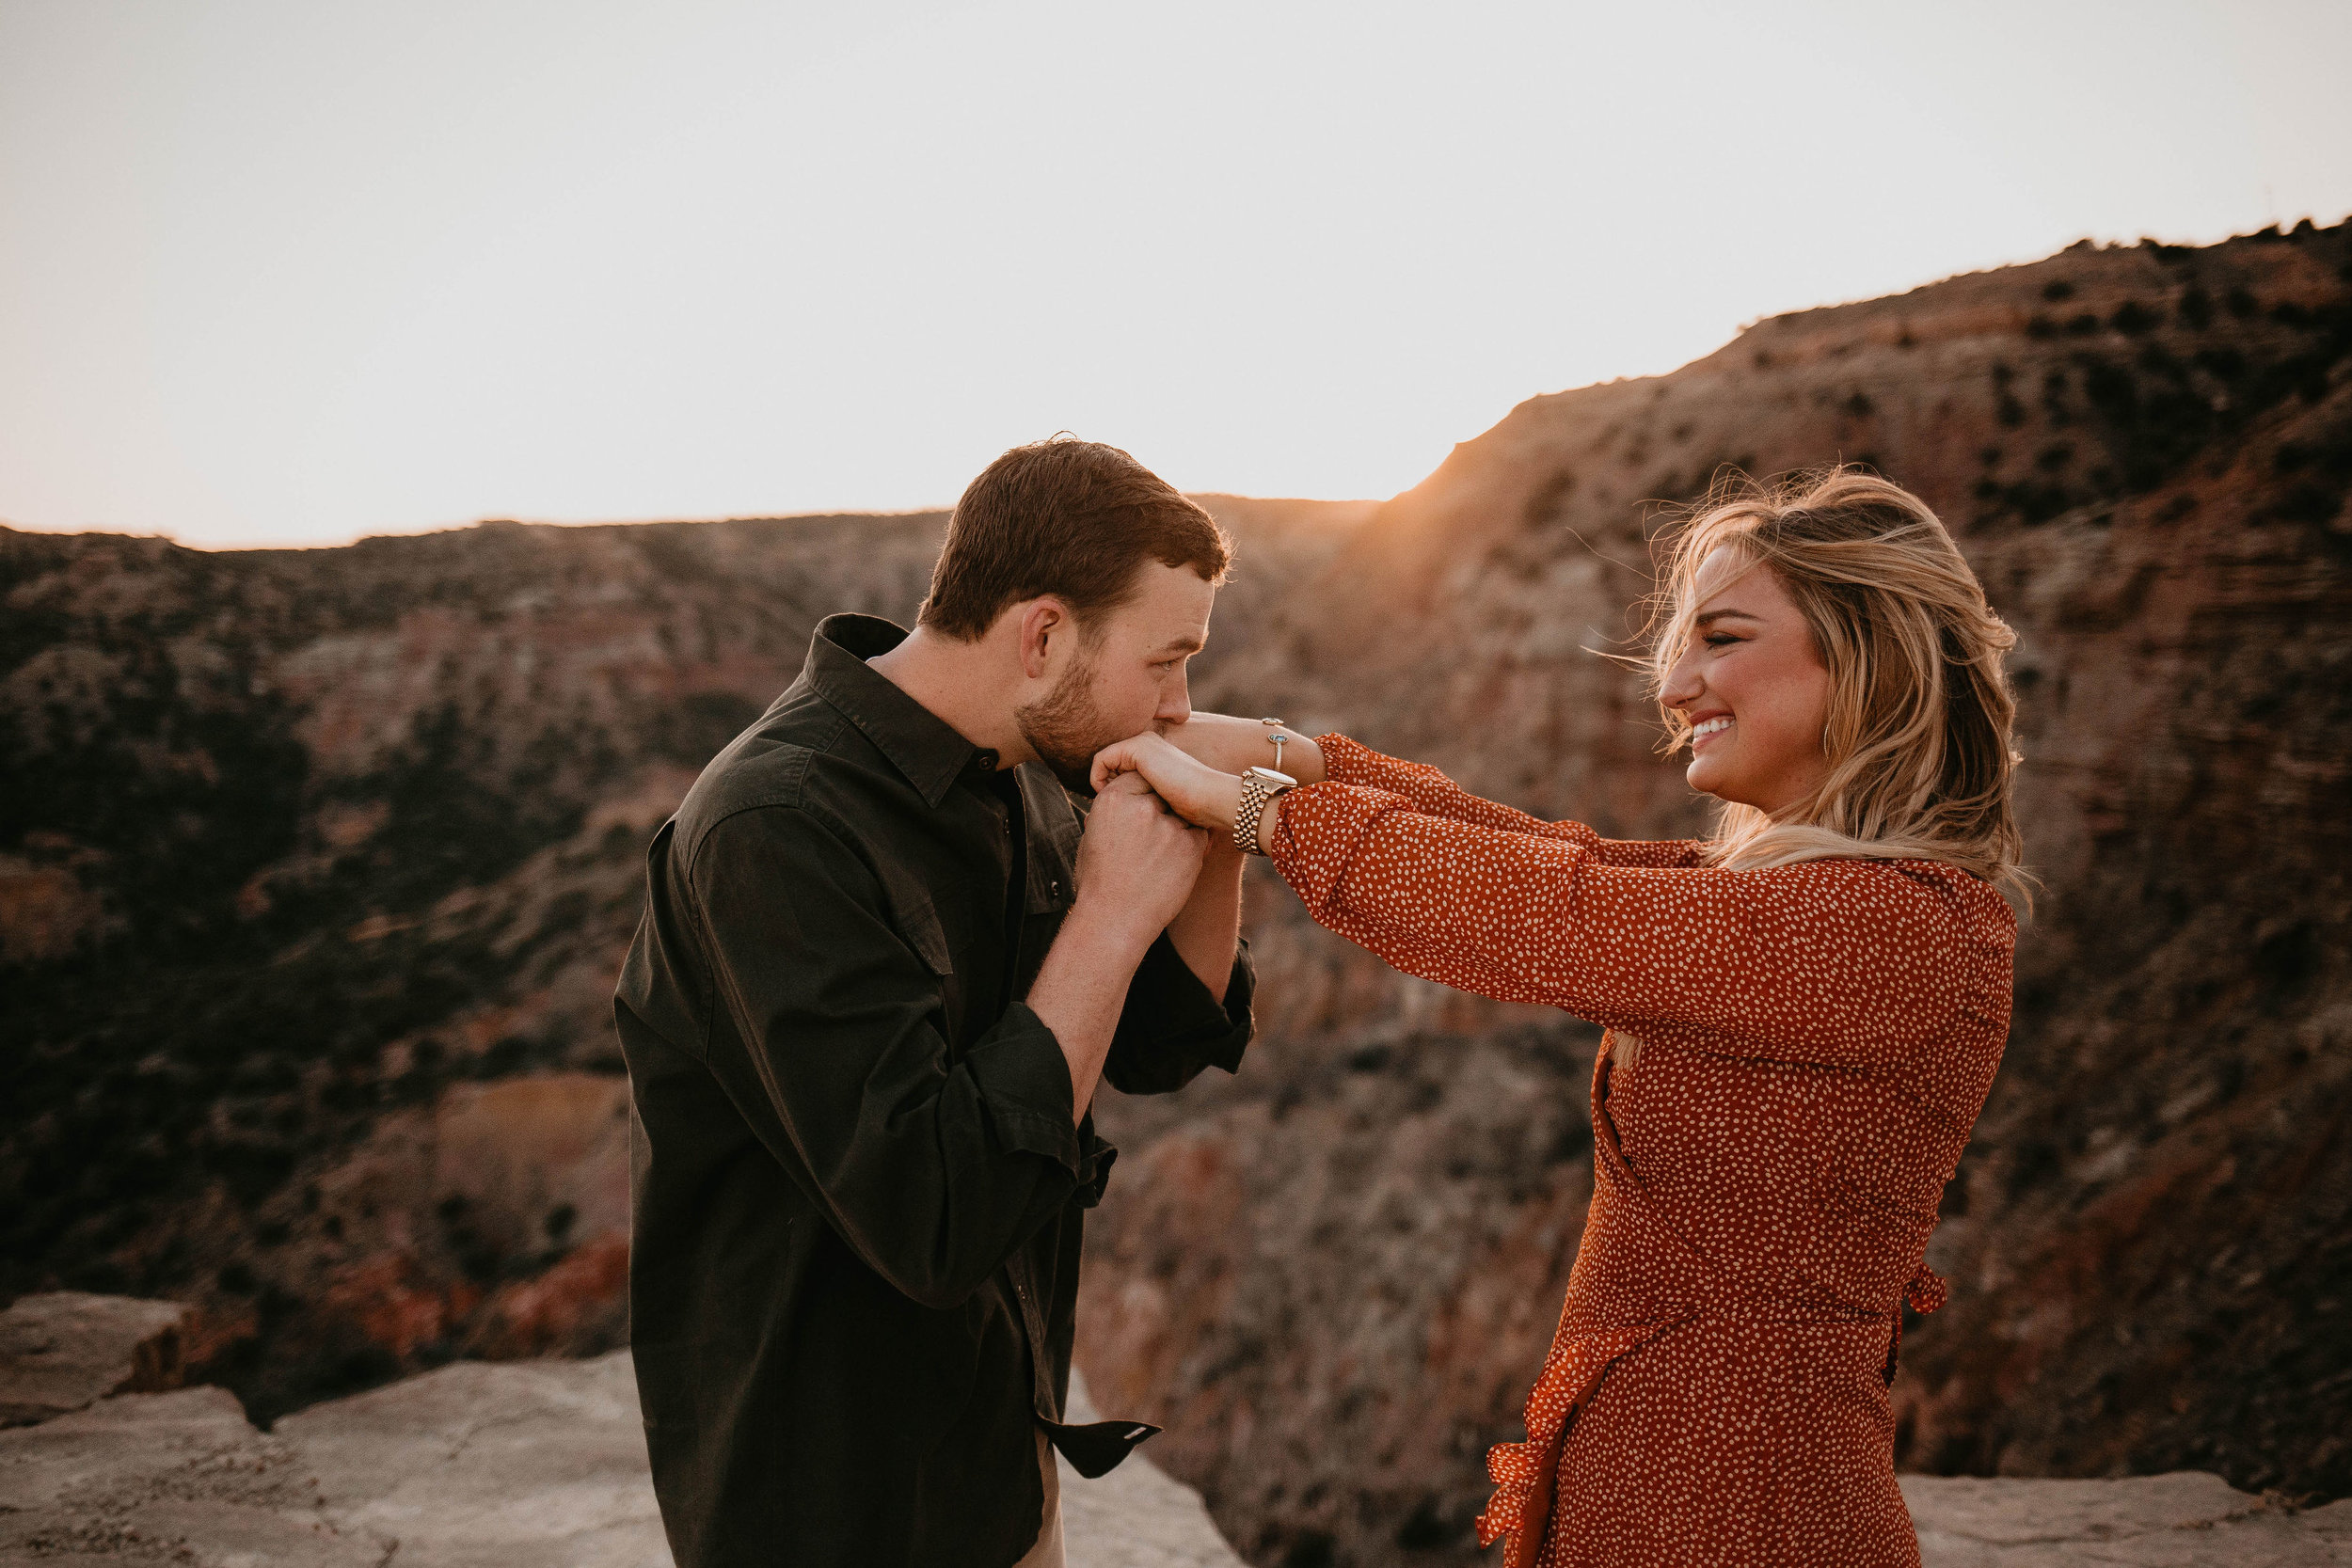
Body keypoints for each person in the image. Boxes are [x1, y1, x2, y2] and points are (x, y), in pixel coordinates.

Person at [1094, 467, 2026, 1568]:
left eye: (1720, 637)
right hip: (1662, 1487)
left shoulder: (1890, 929)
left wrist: (1259, 813)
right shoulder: (1788, 907)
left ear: (1867, 656)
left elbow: (1546, 910)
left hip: (1741, 1512)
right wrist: (1287, 752)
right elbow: (1556, 857)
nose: (1675, 684)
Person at [615, 436, 1256, 1568]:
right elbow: (932, 1218)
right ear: (1043, 634)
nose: (1177, 702)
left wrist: (1222, 825)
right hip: (831, 1501)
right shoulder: (776, 826)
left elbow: (1158, 1042)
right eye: (1165, 660)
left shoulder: (1030, 766)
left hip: (996, 1459)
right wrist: (1108, 915)